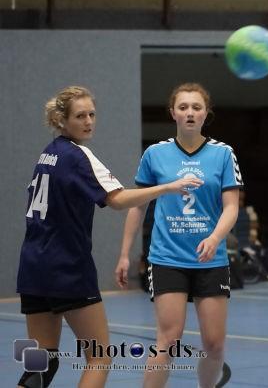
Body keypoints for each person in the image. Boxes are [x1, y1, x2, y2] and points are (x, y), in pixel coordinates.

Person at [15, 86, 202, 388]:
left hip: (33, 267)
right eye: (80, 116)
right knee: (99, 357)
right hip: (67, 268)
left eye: (92, 114)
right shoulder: (77, 156)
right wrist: (167, 187)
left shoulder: (48, 154)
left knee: (40, 364)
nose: (89, 121)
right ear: (62, 120)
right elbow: (117, 199)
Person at [114, 82, 243, 388]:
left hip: (210, 260)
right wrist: (124, 254)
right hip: (167, 258)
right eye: (183, 107)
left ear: (206, 113)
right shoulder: (155, 154)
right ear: (173, 112)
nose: (190, 113)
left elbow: (231, 207)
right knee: (168, 340)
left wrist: (215, 238)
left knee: (214, 344)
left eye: (196, 107)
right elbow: (138, 206)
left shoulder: (223, 154)